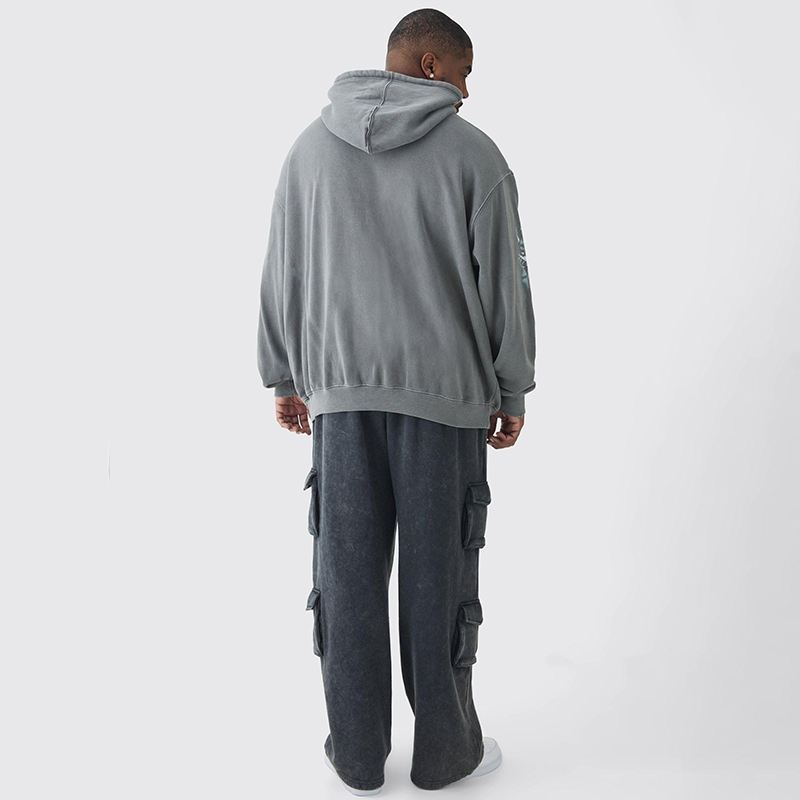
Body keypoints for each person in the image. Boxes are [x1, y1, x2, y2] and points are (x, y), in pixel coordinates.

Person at [256, 8, 536, 795]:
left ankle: (356, 758)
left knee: (345, 581)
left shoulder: (308, 152)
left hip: (341, 399)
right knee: (438, 582)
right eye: (464, 72)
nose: (468, 91)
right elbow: (505, 284)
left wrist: (285, 376)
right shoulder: (475, 156)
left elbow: (282, 270)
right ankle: (445, 756)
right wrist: (511, 385)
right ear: (430, 64)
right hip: (445, 403)